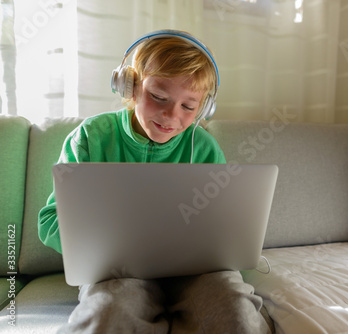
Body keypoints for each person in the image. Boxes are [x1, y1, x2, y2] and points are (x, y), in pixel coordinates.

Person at [38, 29, 272, 334]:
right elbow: (50, 221)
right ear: (129, 87)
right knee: (108, 314)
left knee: (235, 313)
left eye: (188, 106)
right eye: (159, 97)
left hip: (195, 272)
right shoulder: (90, 138)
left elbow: (223, 227)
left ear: (205, 109)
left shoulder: (203, 147)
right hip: (118, 273)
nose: (170, 115)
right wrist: (100, 248)